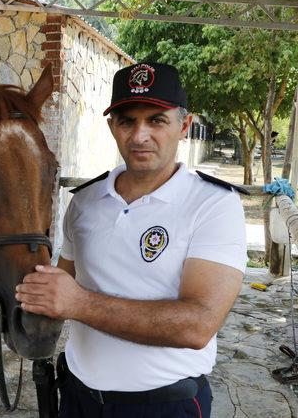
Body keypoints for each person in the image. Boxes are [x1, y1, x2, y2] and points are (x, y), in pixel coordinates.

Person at [15, 63, 247, 417]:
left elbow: (198, 324)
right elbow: (62, 284)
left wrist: (79, 304)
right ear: (112, 127)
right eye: (127, 121)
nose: (140, 135)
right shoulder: (84, 201)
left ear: (184, 125)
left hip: (165, 405)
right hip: (78, 397)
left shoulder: (214, 204)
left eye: (156, 120)